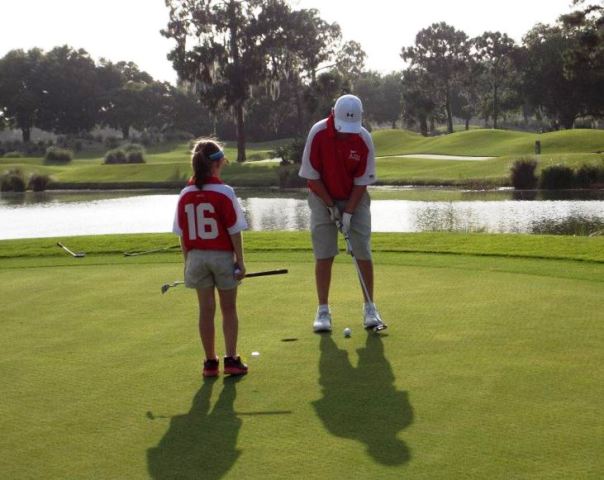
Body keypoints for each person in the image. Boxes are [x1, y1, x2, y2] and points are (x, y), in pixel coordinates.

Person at [299, 94, 383, 333]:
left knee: (362, 250)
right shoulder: (318, 134)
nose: (347, 133)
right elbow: (312, 177)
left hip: (354, 198)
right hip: (321, 195)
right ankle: (323, 310)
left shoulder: (363, 138)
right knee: (324, 253)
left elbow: (361, 182)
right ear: (333, 114)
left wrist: (348, 212)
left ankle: (370, 308)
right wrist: (330, 207)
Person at [172, 139, 249, 377]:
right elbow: (234, 231)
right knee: (228, 309)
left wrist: (188, 262)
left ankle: (209, 363)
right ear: (216, 164)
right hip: (222, 256)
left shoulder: (185, 194)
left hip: (196, 257)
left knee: (205, 310)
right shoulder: (225, 192)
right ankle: (232, 360)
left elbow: (182, 235)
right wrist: (240, 261)